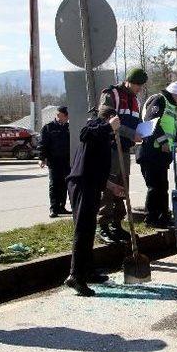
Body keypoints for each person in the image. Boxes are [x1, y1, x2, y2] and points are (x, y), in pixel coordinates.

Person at [65, 106, 125, 296]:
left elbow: (94, 167)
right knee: (82, 230)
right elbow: (84, 134)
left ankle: (88, 271)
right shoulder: (94, 125)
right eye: (116, 121)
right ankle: (75, 276)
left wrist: (111, 186)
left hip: (91, 183)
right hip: (82, 184)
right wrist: (108, 126)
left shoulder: (102, 137)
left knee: (89, 229)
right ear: (109, 118)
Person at [96, 67, 146, 244]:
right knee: (109, 188)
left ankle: (117, 224)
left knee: (122, 186)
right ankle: (102, 226)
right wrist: (131, 133)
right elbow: (106, 117)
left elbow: (135, 121)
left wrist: (143, 130)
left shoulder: (134, 100)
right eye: (137, 85)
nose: (139, 89)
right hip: (111, 147)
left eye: (141, 86)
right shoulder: (112, 94)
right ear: (128, 81)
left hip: (124, 149)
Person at [136, 82, 177, 228]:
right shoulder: (160, 100)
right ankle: (151, 218)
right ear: (175, 94)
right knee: (155, 187)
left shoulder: (171, 107)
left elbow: (170, 129)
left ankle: (164, 217)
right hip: (151, 152)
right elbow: (151, 122)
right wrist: (163, 140)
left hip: (162, 154)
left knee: (162, 186)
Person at [39, 106, 71, 217]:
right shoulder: (49, 128)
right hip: (54, 161)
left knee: (65, 184)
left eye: (59, 115)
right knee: (54, 184)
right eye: (56, 115)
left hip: (67, 161)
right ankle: (54, 208)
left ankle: (61, 207)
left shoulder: (69, 128)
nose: (57, 117)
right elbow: (42, 144)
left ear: (66, 116)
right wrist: (42, 158)